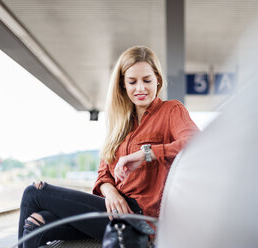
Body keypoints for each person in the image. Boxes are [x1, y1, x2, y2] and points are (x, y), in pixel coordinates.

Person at [18, 46, 199, 248]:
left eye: (147, 80)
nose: (140, 88)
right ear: (123, 84)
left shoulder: (171, 110)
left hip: (137, 216)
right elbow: (103, 174)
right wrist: (111, 192)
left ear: (157, 79)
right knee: (36, 221)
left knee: (34, 192)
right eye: (132, 82)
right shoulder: (120, 123)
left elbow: (196, 143)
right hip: (110, 210)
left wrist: (145, 153)